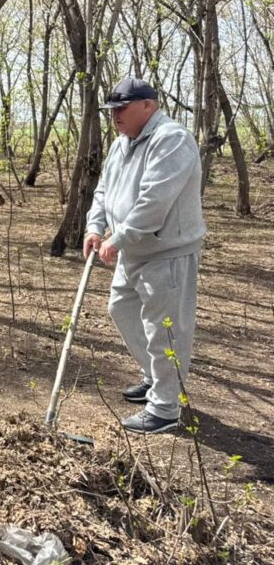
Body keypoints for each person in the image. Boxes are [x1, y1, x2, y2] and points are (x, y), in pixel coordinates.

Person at [83, 77, 205, 434]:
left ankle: (166, 408)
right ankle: (155, 377)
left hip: (166, 252)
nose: (115, 116)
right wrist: (95, 227)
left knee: (165, 331)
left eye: (122, 108)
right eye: (112, 110)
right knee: (120, 308)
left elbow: (155, 201)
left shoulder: (172, 140)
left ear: (148, 106)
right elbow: (105, 190)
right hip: (133, 251)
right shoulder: (122, 144)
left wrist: (118, 238)